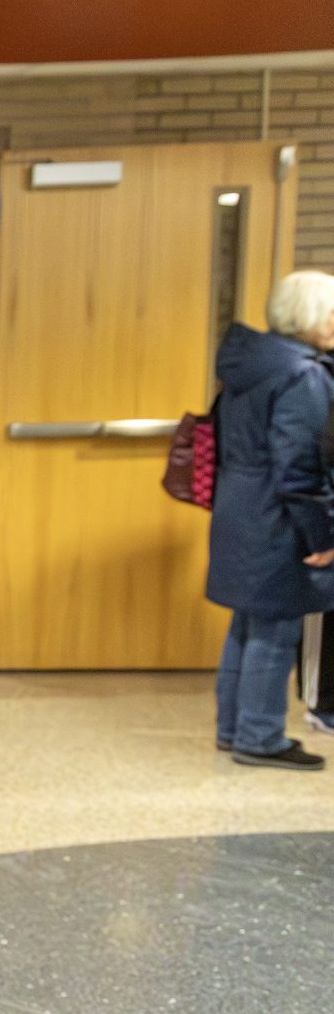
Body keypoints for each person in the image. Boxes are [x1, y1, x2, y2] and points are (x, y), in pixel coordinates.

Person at [207, 269, 334, 770]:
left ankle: (232, 728)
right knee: (276, 627)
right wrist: (322, 535)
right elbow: (300, 466)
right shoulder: (302, 374)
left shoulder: (252, 362)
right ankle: (259, 737)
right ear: (308, 316)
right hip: (279, 514)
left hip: (241, 504)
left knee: (247, 622)